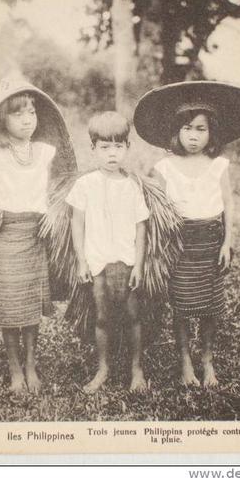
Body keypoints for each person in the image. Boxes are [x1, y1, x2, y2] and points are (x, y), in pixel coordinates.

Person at [133, 81, 240, 388]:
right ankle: (186, 362)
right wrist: (159, 249)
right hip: (179, 244)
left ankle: (207, 361)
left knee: (210, 307)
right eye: (187, 128)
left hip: (211, 242)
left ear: (211, 132)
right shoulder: (165, 167)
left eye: (201, 129)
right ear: (176, 131)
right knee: (182, 306)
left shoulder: (218, 166)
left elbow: (228, 204)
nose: (193, 136)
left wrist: (227, 242)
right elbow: (157, 213)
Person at [0, 79, 75, 394]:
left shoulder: (44, 152)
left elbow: (55, 194)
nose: (28, 119)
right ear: (3, 119)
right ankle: (14, 369)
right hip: (2, 237)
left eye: (31, 112)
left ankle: (31, 365)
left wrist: (50, 218)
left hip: (35, 235)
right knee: (8, 306)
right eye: (18, 114)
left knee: (30, 306)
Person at [65, 111, 150, 393]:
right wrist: (81, 260)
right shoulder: (84, 185)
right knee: (102, 316)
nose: (112, 154)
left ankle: (136, 369)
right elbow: (77, 223)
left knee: (132, 314)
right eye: (105, 147)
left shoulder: (132, 186)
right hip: (97, 261)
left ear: (127, 147)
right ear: (93, 149)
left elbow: (141, 228)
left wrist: (138, 265)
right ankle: (103, 367)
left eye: (118, 146)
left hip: (125, 261)